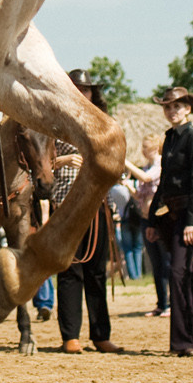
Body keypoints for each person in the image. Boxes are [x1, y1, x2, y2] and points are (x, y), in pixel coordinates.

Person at [53, 69, 123, 355]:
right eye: (77, 88)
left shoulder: (104, 123)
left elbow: (115, 160)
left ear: (93, 93)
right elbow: (38, 160)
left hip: (97, 203)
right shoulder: (54, 121)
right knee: (69, 269)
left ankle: (101, 334)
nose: (82, 93)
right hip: (66, 202)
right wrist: (62, 160)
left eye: (86, 89)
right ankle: (70, 336)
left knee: (96, 271)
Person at [146, 87, 193, 357]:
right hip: (170, 214)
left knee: (177, 273)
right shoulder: (169, 138)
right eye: (167, 107)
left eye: (177, 106)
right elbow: (164, 182)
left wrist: (191, 222)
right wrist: (152, 220)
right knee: (189, 274)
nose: (171, 111)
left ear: (188, 109)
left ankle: (184, 342)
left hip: (189, 215)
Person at [126, 135, 168, 316]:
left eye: (147, 147)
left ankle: (170, 303)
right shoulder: (146, 167)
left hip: (159, 219)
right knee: (156, 263)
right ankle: (161, 303)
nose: (144, 151)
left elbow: (146, 178)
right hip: (146, 219)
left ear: (156, 148)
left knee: (165, 262)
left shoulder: (160, 165)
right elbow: (139, 194)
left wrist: (125, 162)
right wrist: (127, 185)